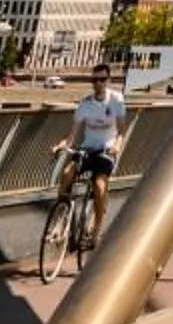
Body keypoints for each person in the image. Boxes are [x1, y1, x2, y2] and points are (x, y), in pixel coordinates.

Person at [52, 59, 128, 245]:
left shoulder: (116, 100)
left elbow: (121, 130)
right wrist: (61, 145)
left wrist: (116, 146)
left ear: (108, 80)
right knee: (67, 173)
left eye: (102, 80)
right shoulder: (85, 104)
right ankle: (60, 220)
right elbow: (73, 134)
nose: (98, 84)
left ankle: (97, 226)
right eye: (94, 80)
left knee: (100, 185)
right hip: (87, 148)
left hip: (106, 150)